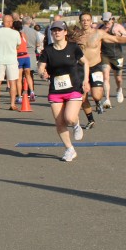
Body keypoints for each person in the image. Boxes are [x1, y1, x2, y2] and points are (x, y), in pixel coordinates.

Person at [38, 20, 89, 162]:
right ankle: (69, 149)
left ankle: (76, 124)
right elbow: (40, 67)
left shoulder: (73, 48)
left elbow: (86, 62)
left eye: (59, 30)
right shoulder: (48, 50)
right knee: (60, 122)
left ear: (65, 32)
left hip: (73, 88)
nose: (56, 32)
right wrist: (43, 74)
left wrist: (85, 80)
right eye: (54, 30)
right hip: (56, 90)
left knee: (70, 118)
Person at [98, 12, 126, 105]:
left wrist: (119, 35)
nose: (106, 23)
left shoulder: (117, 27)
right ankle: (107, 99)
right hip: (104, 54)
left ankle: (119, 89)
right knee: (105, 77)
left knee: (118, 78)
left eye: (108, 21)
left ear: (112, 19)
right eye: (104, 21)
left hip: (116, 55)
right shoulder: (100, 28)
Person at [0, 14, 21, 110]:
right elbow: (18, 45)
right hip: (12, 60)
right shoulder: (15, 33)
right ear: (10, 22)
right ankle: (12, 104)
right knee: (12, 82)